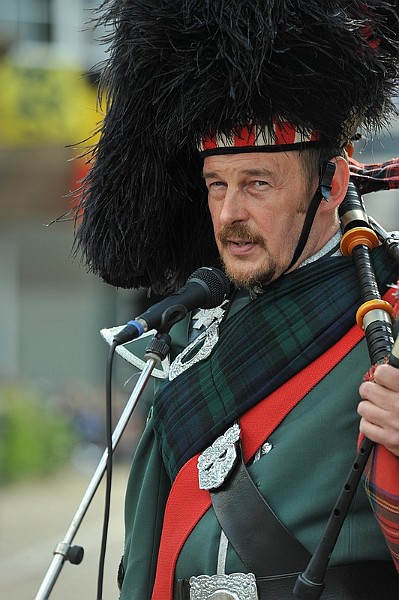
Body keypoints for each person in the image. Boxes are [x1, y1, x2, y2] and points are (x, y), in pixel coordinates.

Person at [74, 1, 399, 598]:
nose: (229, 214)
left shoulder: (391, 318)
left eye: (257, 184)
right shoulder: (190, 334)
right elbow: (146, 554)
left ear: (332, 184)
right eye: (216, 185)